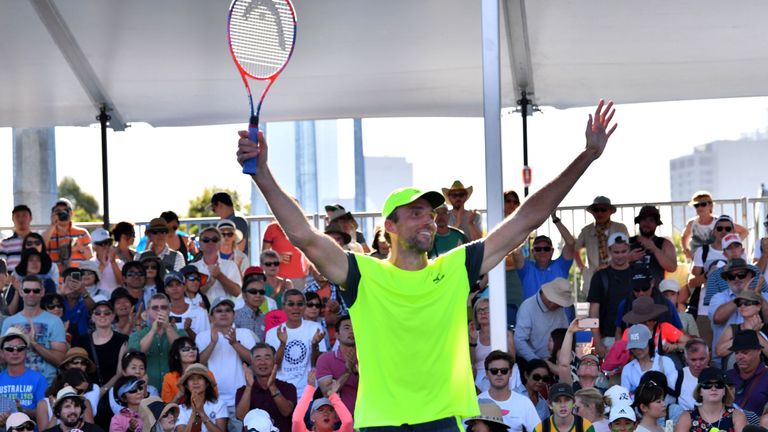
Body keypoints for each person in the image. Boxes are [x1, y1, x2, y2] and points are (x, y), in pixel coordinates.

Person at [236, 99, 617, 429]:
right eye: (416, 213)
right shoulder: (362, 273)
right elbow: (303, 235)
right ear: (390, 226)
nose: (428, 220)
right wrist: (262, 173)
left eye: (431, 214)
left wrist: (586, 156)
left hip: (442, 420)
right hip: (380, 422)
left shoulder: (454, 267)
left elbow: (526, 220)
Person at [197, 297, 258, 432]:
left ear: (234, 314)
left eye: (228, 310)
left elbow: (254, 361)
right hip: (212, 400)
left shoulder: (245, 333)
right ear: (211, 317)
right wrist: (213, 343)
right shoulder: (202, 336)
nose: (224, 313)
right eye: (219, 311)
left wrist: (234, 343)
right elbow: (198, 364)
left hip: (239, 400)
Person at [1, 275, 67, 383]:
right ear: (21, 292)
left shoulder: (55, 321)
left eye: (36, 291)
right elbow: (2, 359)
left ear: (42, 292)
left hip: (46, 385)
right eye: (27, 290)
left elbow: (60, 360)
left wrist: (33, 343)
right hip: (16, 385)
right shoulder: (9, 322)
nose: (31, 294)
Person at [265, 289, 327, 397]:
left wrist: (315, 345)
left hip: (309, 391)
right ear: (283, 307)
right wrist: (282, 344)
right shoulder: (272, 333)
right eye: (291, 304)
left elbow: (317, 364)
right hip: (283, 392)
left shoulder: (315, 328)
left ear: (304, 306)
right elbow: (273, 366)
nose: (296, 308)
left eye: (300, 304)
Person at [709, 259, 768, 363]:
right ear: (727, 280)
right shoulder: (718, 297)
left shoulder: (763, 296)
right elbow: (717, 318)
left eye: (741, 275)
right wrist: (742, 295)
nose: (736, 278)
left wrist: (757, 296)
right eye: (731, 276)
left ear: (751, 276)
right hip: (724, 363)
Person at [587, 232, 634, 356]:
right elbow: (593, 312)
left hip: (636, 337)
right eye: (616, 252)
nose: (620, 256)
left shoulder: (637, 273)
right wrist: (597, 342)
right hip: (609, 339)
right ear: (609, 251)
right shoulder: (600, 276)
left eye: (623, 251)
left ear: (629, 250)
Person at [128, 293, 185, 390]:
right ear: (147, 311)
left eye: (163, 307)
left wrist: (167, 327)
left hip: (175, 389)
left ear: (169, 310)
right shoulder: (137, 335)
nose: (159, 311)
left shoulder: (181, 332)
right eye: (155, 308)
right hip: (146, 390)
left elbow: (182, 351)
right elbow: (137, 353)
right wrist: (153, 331)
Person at [235, 343, 297, 432]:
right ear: (251, 362)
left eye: (267, 358)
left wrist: (272, 387)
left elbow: (286, 412)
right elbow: (241, 416)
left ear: (274, 361)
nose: (263, 362)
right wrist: (249, 387)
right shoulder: (242, 391)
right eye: (258, 358)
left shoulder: (288, 388)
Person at [574, 196, 629, 291]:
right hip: (593, 275)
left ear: (610, 211)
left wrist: (609, 265)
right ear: (592, 213)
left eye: (603, 210)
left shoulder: (620, 228)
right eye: (596, 210)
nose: (599, 213)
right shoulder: (586, 230)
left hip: (616, 272)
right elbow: (575, 249)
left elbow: (627, 250)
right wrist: (582, 268)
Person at [477, 350, 540, 432]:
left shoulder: (524, 402)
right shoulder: (476, 402)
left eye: (504, 370)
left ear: (510, 373)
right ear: (486, 373)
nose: (499, 374)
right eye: (494, 371)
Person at [511, 227, 576, 302]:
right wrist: (527, 228)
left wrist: (556, 221)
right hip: (532, 310)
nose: (542, 252)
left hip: (559, 310)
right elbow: (516, 251)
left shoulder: (561, 266)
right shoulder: (526, 269)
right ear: (533, 251)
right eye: (538, 249)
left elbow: (571, 243)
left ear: (552, 251)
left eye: (546, 249)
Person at [515, 278, 572, 361]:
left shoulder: (559, 309)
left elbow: (564, 335)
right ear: (550, 300)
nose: (561, 307)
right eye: (559, 304)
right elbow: (519, 341)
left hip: (555, 360)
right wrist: (537, 362)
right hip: (530, 361)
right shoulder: (527, 307)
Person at [675, 367, 746, 432]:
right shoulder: (687, 417)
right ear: (699, 391)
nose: (713, 388)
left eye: (719, 385)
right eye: (707, 384)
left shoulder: (737, 415)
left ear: (725, 391)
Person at [315, 314, 358, 417]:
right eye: (347, 328)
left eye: (355, 327)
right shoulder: (326, 359)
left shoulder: (369, 358)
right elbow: (328, 392)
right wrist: (347, 372)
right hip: (339, 421)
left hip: (369, 419)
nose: (352, 331)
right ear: (337, 335)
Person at [470, 297, 517, 391]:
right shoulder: (472, 334)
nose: (483, 313)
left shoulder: (506, 334)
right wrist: (473, 341)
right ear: (476, 316)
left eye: (486, 310)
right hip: (480, 376)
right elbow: (471, 363)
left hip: (501, 372)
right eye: (479, 310)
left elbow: (512, 360)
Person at [0, 328, 48, 418]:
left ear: (26, 351)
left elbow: (46, 412)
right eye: (9, 349)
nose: (15, 352)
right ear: (2, 353)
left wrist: (23, 411)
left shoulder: (39, 379)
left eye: (20, 348)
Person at [620, 324, 677, 395]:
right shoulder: (628, 369)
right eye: (634, 347)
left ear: (649, 343)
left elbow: (674, 390)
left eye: (641, 346)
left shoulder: (666, 362)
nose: (637, 350)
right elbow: (625, 396)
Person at [715, 290, 768, 366]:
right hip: (736, 372)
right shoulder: (733, 328)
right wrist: (746, 332)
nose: (742, 306)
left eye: (747, 303)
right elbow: (719, 352)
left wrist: (756, 334)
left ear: (758, 306)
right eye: (739, 303)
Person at [628, 206, 677, 286]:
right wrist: (628, 258)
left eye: (651, 220)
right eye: (644, 219)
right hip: (632, 291)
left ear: (656, 224)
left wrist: (655, 249)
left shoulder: (665, 243)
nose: (647, 223)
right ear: (639, 222)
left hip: (655, 291)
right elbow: (612, 264)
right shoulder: (628, 242)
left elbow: (672, 268)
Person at [42, 198, 92, 275]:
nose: (62, 213)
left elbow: (90, 257)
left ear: (71, 213)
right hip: (56, 278)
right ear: (53, 214)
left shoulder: (82, 233)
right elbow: (40, 247)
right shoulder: (48, 233)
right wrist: (52, 225)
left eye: (66, 210)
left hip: (78, 278)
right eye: (58, 211)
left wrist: (80, 247)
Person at [192, 226, 242, 300]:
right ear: (200, 244)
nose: (210, 242)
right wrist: (209, 284)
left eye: (214, 240)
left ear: (220, 243)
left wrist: (220, 276)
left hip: (225, 307)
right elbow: (189, 294)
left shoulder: (231, 265)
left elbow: (237, 293)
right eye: (206, 240)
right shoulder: (193, 268)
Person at [175, 363, 228, 432]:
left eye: (199, 378)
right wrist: (194, 413)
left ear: (207, 384)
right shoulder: (180, 409)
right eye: (191, 379)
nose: (195, 382)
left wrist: (201, 412)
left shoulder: (219, 404)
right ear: (187, 386)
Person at [726, 330, 768, 414]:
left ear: (758, 351)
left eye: (745, 352)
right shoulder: (726, 376)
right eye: (736, 353)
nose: (739, 357)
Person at [160, 336, 211, 404]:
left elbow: (214, 400)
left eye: (194, 348)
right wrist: (179, 395)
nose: (191, 351)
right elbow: (167, 408)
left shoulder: (207, 373)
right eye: (186, 349)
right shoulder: (169, 378)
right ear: (176, 355)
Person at [262, 221, 309, 291]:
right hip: (277, 277)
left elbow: (308, 249)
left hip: (298, 277)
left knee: (296, 297)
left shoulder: (301, 228)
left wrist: (307, 266)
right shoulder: (272, 228)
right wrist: (276, 258)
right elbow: (264, 255)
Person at [165, 272, 209, 341]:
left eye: (178, 284)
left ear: (184, 287)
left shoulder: (200, 312)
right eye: (170, 285)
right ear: (166, 290)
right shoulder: (162, 313)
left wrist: (189, 330)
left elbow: (205, 343)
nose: (174, 288)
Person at [234, 267, 271, 341]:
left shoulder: (265, 318)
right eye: (253, 291)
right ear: (244, 295)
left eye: (261, 292)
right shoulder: (235, 317)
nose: (258, 295)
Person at [678, 339, 712, 411]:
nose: (698, 364)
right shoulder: (676, 378)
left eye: (702, 359)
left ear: (709, 356)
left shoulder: (720, 377)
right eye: (693, 360)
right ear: (686, 359)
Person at [0, 205, 33, 273]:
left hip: (34, 279)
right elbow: (1, 266)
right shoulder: (5, 243)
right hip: (11, 279)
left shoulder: (37, 241)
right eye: (17, 216)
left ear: (30, 218)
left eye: (24, 215)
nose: (21, 219)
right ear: (13, 219)